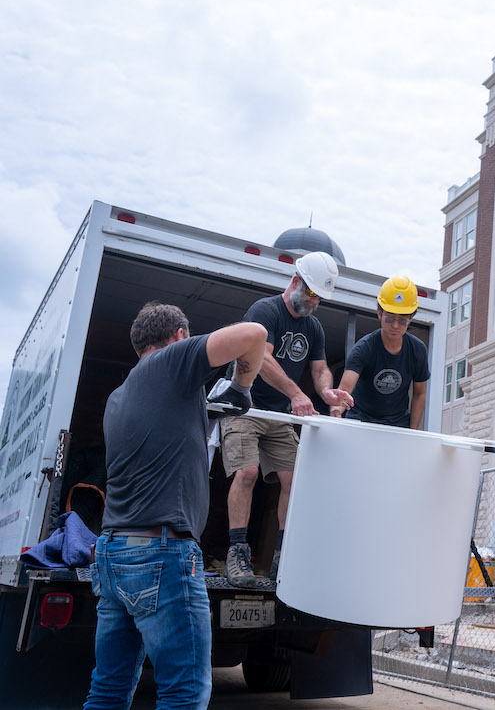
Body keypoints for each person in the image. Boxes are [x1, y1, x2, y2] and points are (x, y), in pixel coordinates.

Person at [84, 302, 267, 709]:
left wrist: (211, 412)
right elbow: (254, 335)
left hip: (114, 552)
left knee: (109, 690)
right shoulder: (171, 362)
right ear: (181, 336)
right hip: (161, 555)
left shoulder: (121, 395)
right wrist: (241, 384)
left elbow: (171, 436)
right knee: (183, 693)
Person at [221, 252, 353, 587]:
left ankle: (284, 556)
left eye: (318, 297)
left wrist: (326, 393)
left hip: (277, 414)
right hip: (244, 404)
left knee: (293, 480)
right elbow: (261, 359)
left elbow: (320, 368)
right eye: (309, 293)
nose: (313, 300)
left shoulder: (314, 327)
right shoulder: (264, 311)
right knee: (247, 473)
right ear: (295, 280)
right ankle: (237, 553)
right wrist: (296, 393)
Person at [331, 275, 429, 428]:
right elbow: (344, 390)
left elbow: (419, 394)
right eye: (390, 318)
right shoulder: (364, 347)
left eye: (403, 320)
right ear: (379, 313)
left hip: (397, 422)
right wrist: (337, 411)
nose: (395, 326)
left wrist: (413, 432)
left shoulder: (417, 350)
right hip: (361, 418)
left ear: (412, 317)